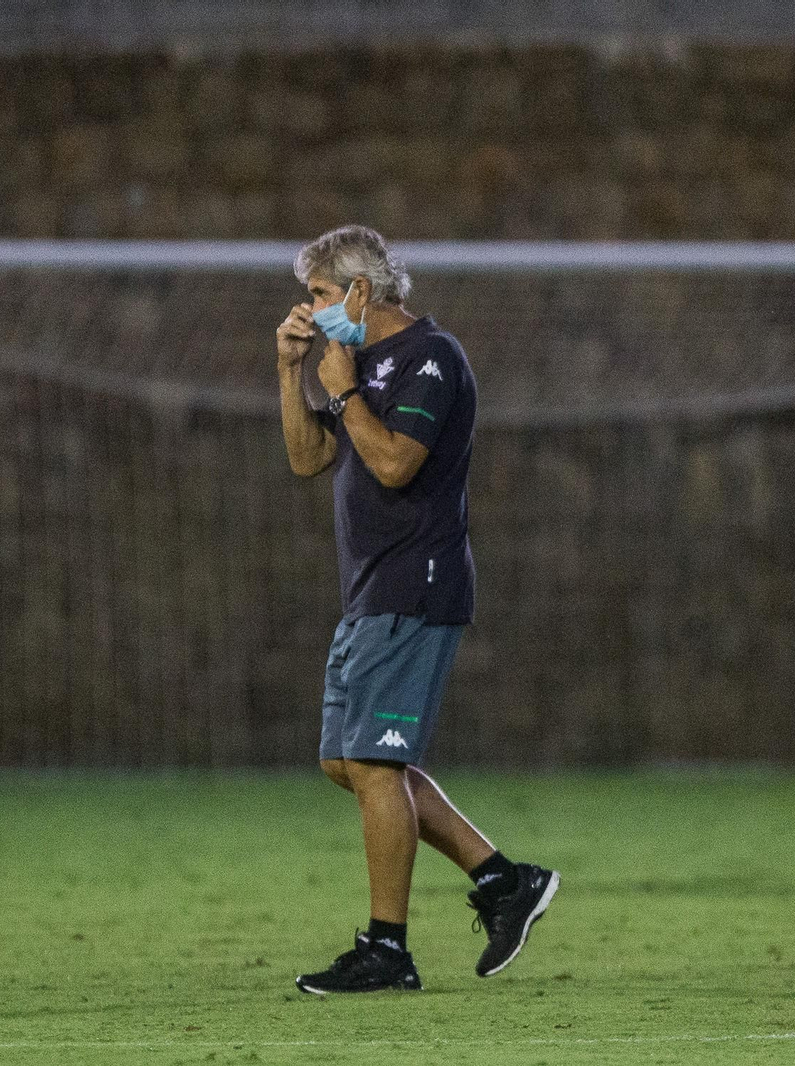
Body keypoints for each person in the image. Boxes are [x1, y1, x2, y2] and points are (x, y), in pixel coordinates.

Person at [275, 225, 559, 994]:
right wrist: (292, 367)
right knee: (350, 762)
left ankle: (388, 949)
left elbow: (397, 463)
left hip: (415, 583)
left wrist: (342, 389)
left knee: (373, 762)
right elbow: (308, 459)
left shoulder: (431, 358)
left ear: (360, 293)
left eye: (321, 295)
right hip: (371, 587)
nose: (311, 308)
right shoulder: (354, 362)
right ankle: (503, 881)